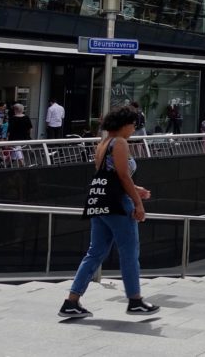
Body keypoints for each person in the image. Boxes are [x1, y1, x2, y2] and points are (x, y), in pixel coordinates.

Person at [59, 106, 159, 318]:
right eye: (132, 124)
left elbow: (110, 176)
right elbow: (123, 175)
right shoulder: (120, 143)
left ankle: (72, 301)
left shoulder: (103, 143)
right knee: (130, 251)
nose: (134, 128)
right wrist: (138, 204)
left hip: (100, 201)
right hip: (118, 204)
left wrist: (136, 189)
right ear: (123, 124)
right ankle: (135, 299)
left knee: (95, 252)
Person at [6, 103, 33, 168]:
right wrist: (28, 136)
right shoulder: (26, 118)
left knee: (17, 149)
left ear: (15, 110)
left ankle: (22, 163)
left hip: (14, 138)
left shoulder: (13, 118)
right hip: (24, 137)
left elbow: (10, 130)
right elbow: (30, 128)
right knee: (17, 149)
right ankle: (9, 163)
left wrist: (7, 138)